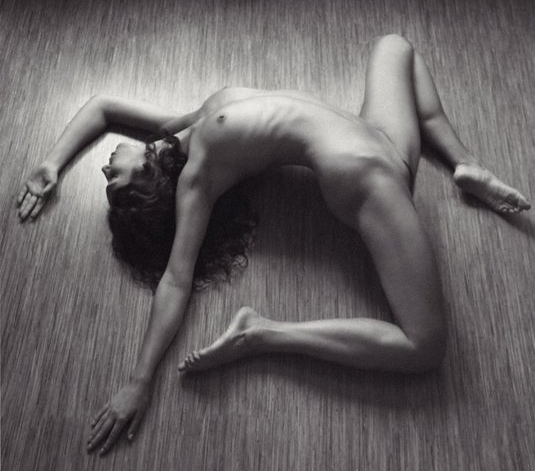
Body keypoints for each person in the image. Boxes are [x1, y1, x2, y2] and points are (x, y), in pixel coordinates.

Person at [17, 35, 530, 455]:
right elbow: (176, 279)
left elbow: (104, 106)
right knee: (425, 347)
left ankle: (465, 165)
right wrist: (139, 379)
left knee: (394, 46)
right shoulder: (196, 178)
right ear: (150, 187)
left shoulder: (182, 130)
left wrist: (51, 164)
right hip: (361, 174)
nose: (104, 171)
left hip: (373, 136)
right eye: (114, 184)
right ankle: (263, 333)